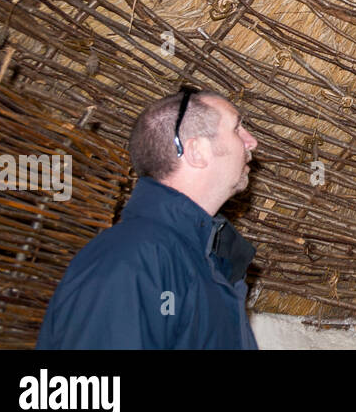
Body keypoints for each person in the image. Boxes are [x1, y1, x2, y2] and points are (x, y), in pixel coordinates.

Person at [36, 86, 259, 349]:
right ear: (197, 151)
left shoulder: (213, 267)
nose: (251, 141)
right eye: (237, 128)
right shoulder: (131, 257)